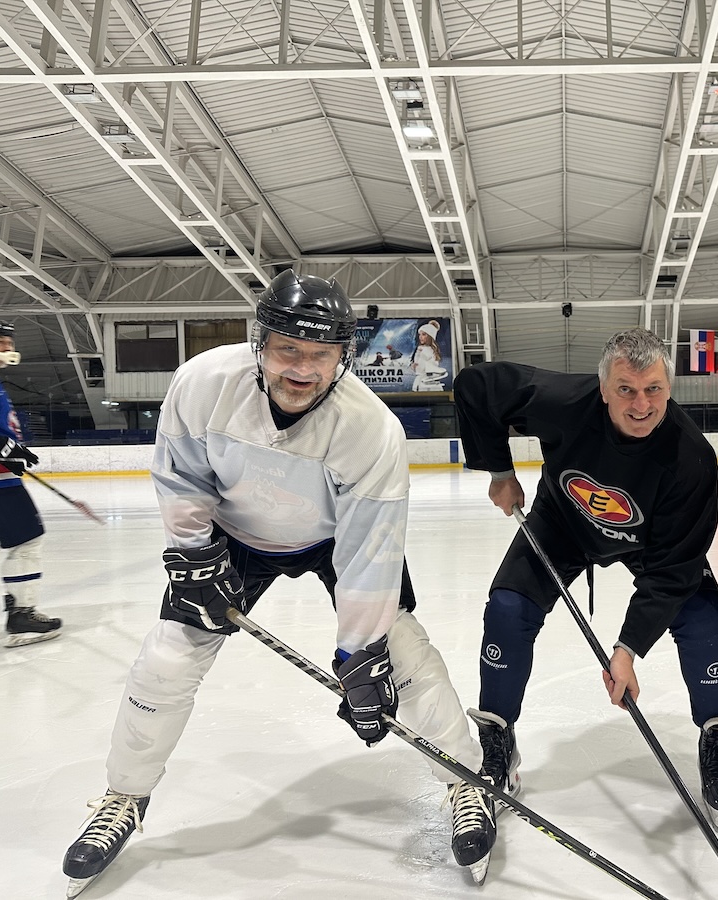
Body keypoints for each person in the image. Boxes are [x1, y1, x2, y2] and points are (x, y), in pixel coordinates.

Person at [61, 270, 488, 897]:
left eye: (321, 354)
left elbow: (370, 546)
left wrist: (360, 653)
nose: (303, 369)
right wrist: (194, 554)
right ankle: (123, 797)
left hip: (334, 540)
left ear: (343, 357)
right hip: (232, 537)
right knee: (167, 659)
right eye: (289, 349)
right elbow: (181, 475)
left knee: (402, 652)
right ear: (260, 342)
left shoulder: (370, 429)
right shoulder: (203, 382)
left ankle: (467, 783)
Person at [452, 326, 718, 866]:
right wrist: (499, 471)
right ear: (604, 387)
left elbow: (673, 572)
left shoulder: (691, 459)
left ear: (670, 386)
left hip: (651, 543)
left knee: (702, 616)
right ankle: (498, 739)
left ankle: (717, 736)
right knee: (508, 609)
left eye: (654, 389)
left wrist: (628, 649)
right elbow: (476, 386)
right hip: (563, 523)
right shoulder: (564, 402)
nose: (641, 404)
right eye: (626, 389)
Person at [0, 316, 63, 647]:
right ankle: (22, 616)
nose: (6, 348)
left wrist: (6, 448)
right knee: (27, 541)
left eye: (9, 342)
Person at [410, 321, 447, 391]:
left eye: (424, 334)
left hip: (427, 381)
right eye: (420, 334)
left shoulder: (428, 350)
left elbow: (423, 367)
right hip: (422, 380)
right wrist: (414, 365)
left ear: (430, 336)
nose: (420, 337)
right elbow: (417, 366)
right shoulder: (421, 349)